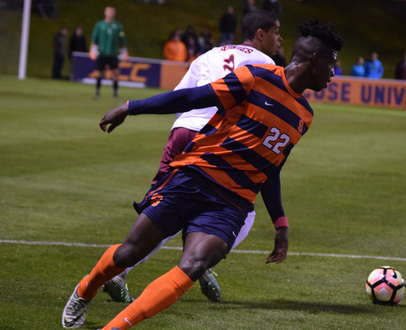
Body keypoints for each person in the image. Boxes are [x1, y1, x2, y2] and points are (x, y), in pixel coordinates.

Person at [62, 18, 343, 330]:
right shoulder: (256, 77)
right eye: (331, 64)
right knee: (130, 252)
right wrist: (131, 107)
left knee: (194, 265)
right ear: (313, 60)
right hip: (193, 177)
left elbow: (272, 167)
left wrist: (280, 222)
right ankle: (85, 289)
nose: (334, 73)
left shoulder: (305, 115)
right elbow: (193, 97)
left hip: (231, 203)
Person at [102, 10, 282, 305]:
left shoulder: (208, 54)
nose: (280, 40)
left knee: (164, 208)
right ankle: (197, 264)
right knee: (242, 212)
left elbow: (181, 97)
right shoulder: (267, 64)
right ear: (260, 34)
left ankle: (120, 272)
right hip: (221, 141)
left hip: (183, 131)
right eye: (277, 32)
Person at [91, 7, 128, 99]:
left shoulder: (118, 26)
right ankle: (97, 93)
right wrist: (92, 48)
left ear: (114, 13)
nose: (110, 13)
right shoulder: (99, 25)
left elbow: (122, 36)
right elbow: (94, 37)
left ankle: (115, 94)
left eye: (112, 12)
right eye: (109, 11)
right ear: (105, 13)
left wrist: (124, 49)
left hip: (113, 54)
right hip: (102, 53)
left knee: (115, 73)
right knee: (99, 73)